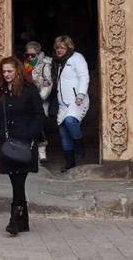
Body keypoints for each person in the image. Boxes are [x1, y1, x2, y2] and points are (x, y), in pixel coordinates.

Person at [0, 55, 45, 235]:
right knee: (15, 181)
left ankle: (15, 219)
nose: (6, 74)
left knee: (19, 181)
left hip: (24, 142)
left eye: (9, 71)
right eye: (4, 71)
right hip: (7, 142)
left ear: (17, 71)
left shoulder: (29, 90)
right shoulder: (2, 91)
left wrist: (30, 135)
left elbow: (39, 115)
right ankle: (23, 220)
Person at [53, 35, 89, 171]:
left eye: (62, 47)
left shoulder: (77, 58)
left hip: (77, 100)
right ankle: (70, 163)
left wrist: (80, 94)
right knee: (63, 133)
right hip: (63, 104)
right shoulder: (57, 62)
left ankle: (79, 144)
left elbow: (84, 76)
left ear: (69, 47)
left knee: (70, 121)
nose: (59, 50)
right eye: (57, 48)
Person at [23, 41, 53, 161]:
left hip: (40, 100)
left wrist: (41, 97)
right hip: (27, 100)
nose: (30, 57)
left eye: (33, 55)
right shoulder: (25, 65)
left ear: (39, 54)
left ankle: (42, 151)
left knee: (39, 125)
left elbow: (48, 83)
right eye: (28, 55)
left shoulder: (45, 65)